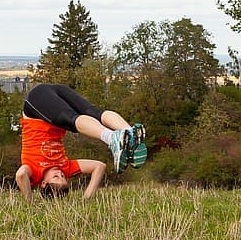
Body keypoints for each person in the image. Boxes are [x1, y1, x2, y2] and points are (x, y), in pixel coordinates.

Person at [14, 83, 146, 201]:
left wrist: (29, 201)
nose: (60, 174)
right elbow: (99, 166)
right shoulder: (66, 168)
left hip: (36, 104)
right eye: (63, 178)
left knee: (71, 120)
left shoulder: (34, 172)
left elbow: (20, 175)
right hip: (57, 94)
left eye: (56, 178)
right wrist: (87, 197)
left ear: (43, 183)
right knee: (94, 113)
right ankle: (130, 132)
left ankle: (112, 138)